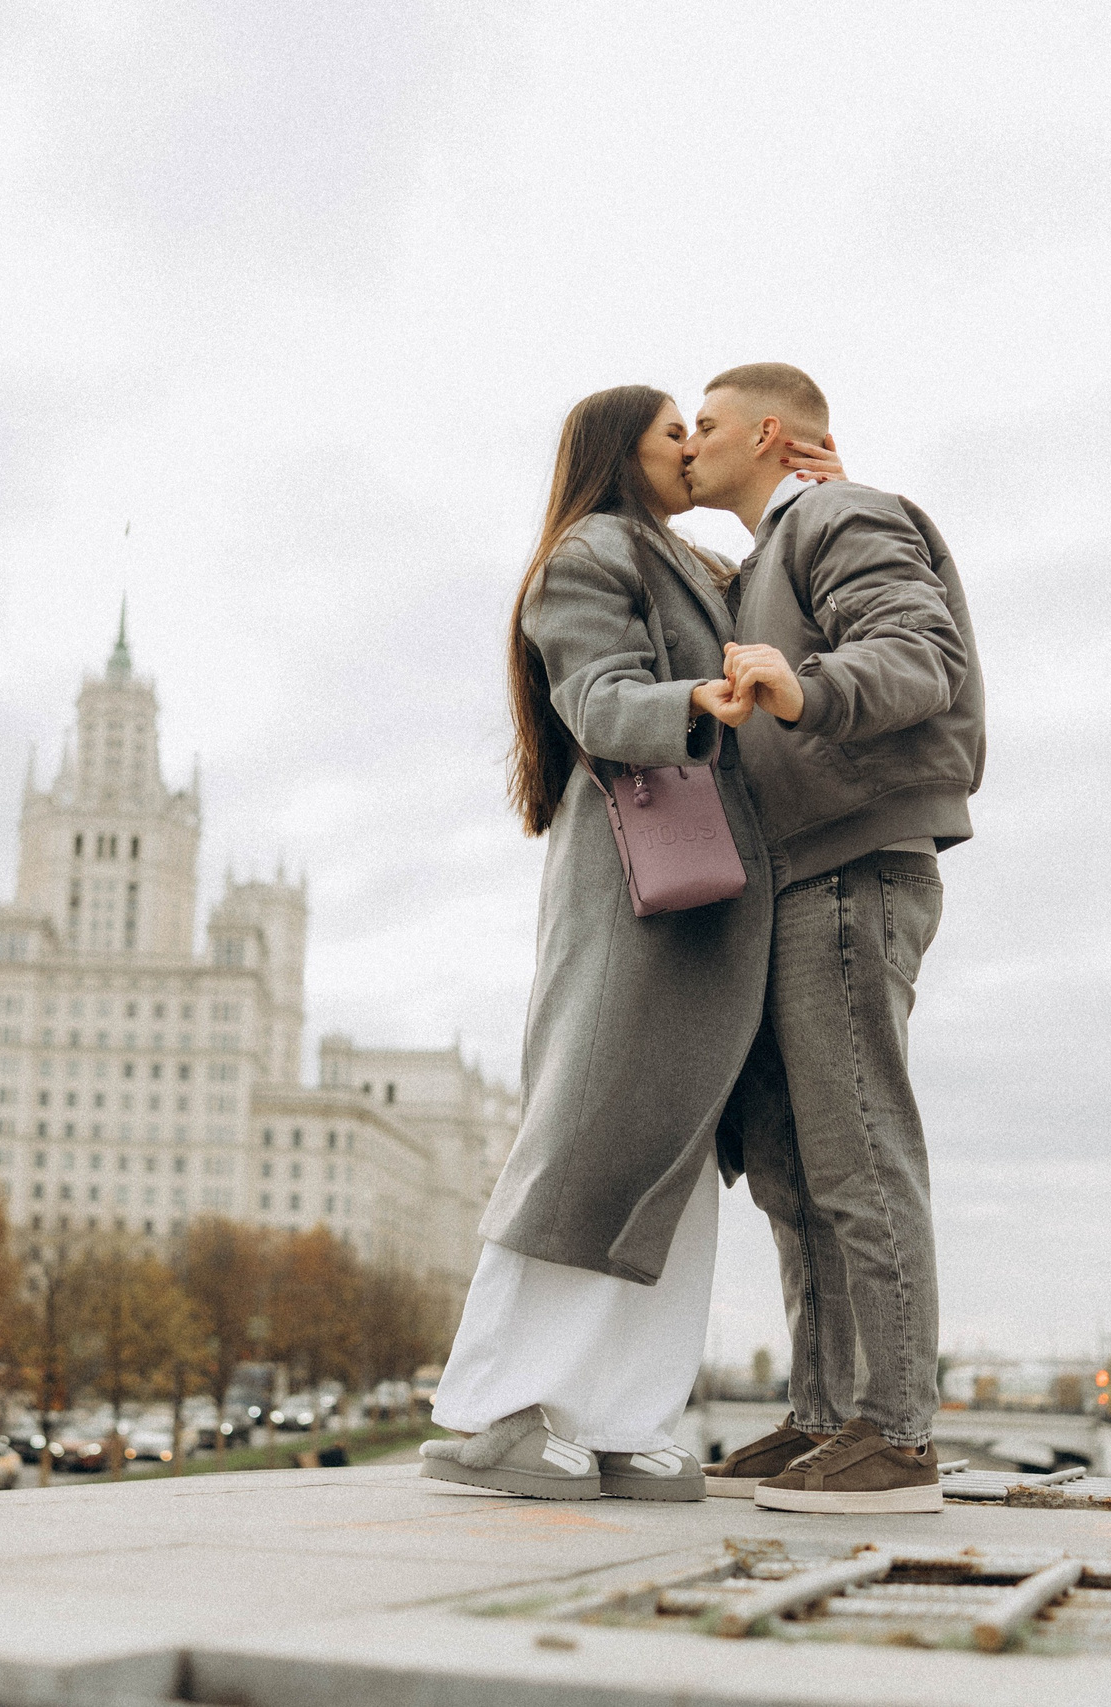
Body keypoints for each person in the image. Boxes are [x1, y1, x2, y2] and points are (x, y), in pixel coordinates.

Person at [420, 385, 840, 1501]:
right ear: (623, 452)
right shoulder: (590, 553)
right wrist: (694, 699)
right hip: (638, 891)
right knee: (589, 1141)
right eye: (674, 434)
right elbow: (596, 701)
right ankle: (493, 1412)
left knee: (669, 1158)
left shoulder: (688, 562)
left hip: (699, 901)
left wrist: (807, 496)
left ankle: (620, 1416)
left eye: (703, 432)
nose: (693, 448)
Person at [681, 362, 985, 1516]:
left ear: (767, 434)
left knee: (858, 1152)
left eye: (704, 424)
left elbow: (920, 655)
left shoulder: (842, 514)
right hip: (794, 881)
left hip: (856, 868)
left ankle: (895, 1436)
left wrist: (801, 687)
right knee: (793, 1169)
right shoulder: (776, 546)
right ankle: (824, 1418)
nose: (689, 440)